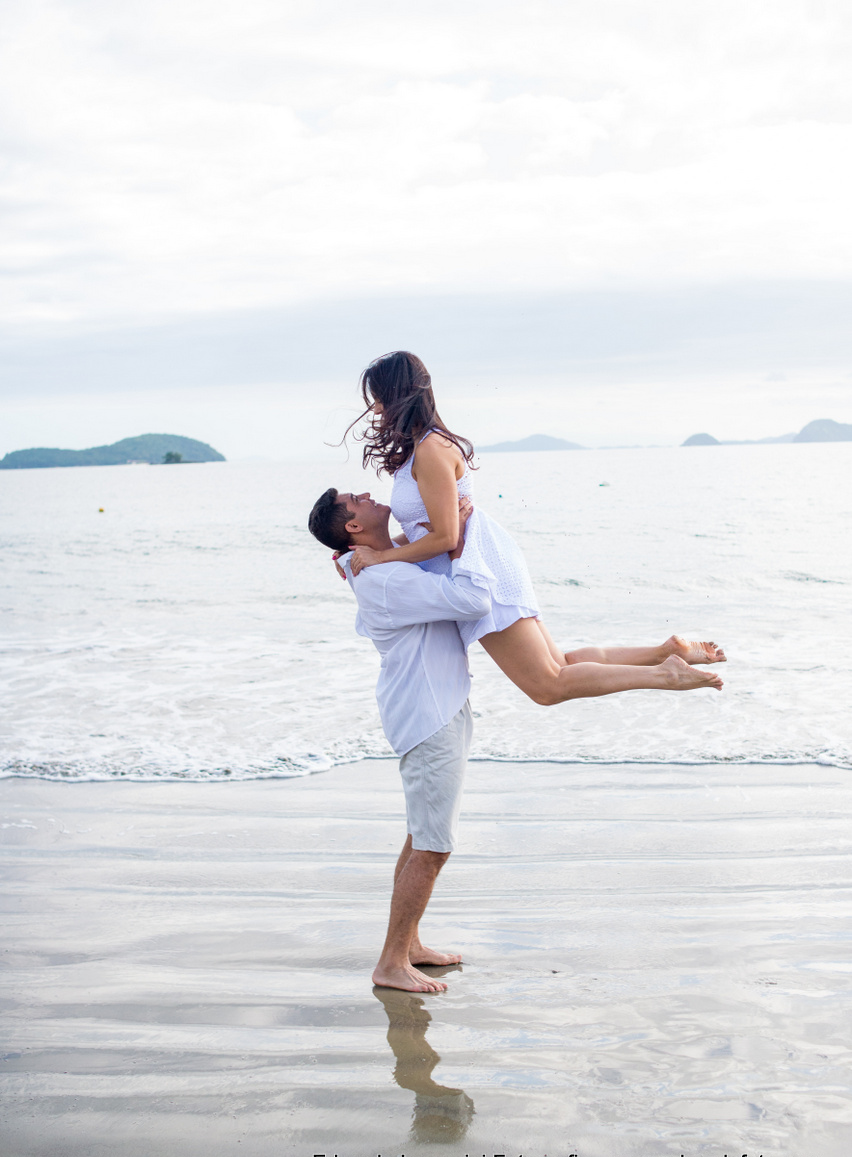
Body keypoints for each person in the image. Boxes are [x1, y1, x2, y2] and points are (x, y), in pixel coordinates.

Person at [341, 349, 726, 702]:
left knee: (547, 685)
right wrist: (369, 554)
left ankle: (667, 675)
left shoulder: (430, 450)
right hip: (483, 562)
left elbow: (446, 537)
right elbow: (429, 528)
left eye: (377, 397)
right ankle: (665, 652)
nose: (374, 408)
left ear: (395, 395)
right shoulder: (420, 448)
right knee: (560, 663)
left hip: (477, 570)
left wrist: (380, 560)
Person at [308, 487, 489, 994]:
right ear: (351, 528)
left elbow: (406, 560)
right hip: (429, 715)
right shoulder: (385, 576)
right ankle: (390, 962)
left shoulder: (377, 566)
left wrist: (432, 532)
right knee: (433, 846)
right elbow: (474, 599)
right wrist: (462, 538)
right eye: (355, 499)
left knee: (420, 836)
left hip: (431, 707)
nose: (366, 493)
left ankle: (408, 944)